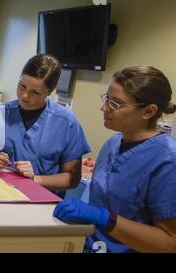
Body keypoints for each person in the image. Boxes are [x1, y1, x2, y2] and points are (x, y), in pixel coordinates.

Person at [54, 66, 176, 253]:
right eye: (106, 99)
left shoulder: (167, 161)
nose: (104, 108)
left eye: (116, 104)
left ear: (148, 111)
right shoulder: (113, 143)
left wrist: (106, 219)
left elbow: (169, 243)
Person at [0, 54, 91, 196]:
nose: (24, 96)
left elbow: (72, 179)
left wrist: (35, 179)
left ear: (49, 91)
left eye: (34, 92)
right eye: (22, 86)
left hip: (41, 201)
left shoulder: (66, 123)